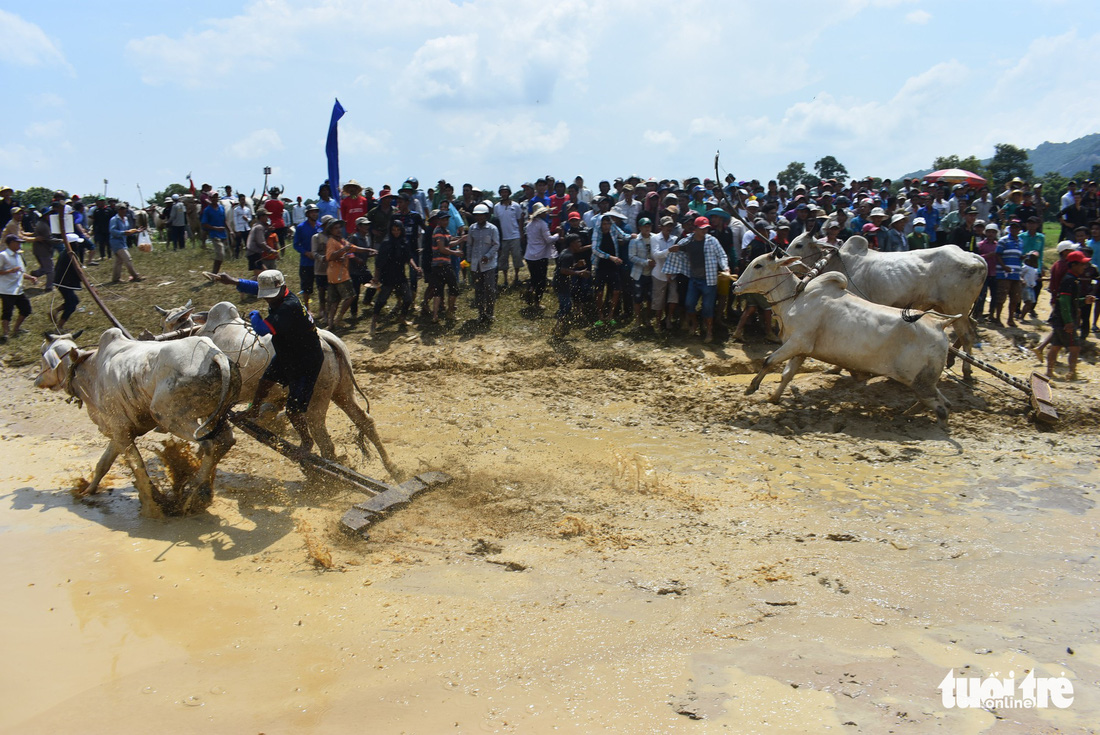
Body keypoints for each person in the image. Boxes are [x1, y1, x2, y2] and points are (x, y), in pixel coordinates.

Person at [211, 269, 323, 455]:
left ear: (283, 288)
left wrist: (255, 314)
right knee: (264, 382)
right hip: (287, 353)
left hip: (305, 360)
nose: (268, 300)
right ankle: (254, 410)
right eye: (266, 296)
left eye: (270, 296)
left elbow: (262, 330)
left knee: (293, 410)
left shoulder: (289, 306)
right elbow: (257, 287)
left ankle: (306, 441)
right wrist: (233, 281)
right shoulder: (279, 294)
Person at [666, 216, 730, 343]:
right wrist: (670, 268)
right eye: (702, 229)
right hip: (694, 279)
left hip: (709, 280)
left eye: (706, 228)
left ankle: (709, 332)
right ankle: (694, 324)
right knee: (689, 304)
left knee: (708, 307)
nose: (704, 231)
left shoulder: (712, 241)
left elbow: (721, 255)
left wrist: (726, 268)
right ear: (695, 229)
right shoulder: (688, 241)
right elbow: (677, 251)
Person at [1041, 250, 1095, 381]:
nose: (1084, 267)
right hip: (1064, 320)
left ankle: (1049, 372)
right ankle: (1072, 373)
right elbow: (1064, 302)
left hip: (1059, 319)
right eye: (1082, 264)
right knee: (1075, 348)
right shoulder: (1070, 281)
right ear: (1074, 265)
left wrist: (1084, 301)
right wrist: (1069, 322)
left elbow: (1072, 301)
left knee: (1056, 346)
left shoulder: (1072, 280)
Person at [370, 220, 421, 338]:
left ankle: (402, 317)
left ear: (401, 230)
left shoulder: (404, 242)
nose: (396, 232)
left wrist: (415, 267)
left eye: (398, 230)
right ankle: (373, 323)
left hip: (400, 275)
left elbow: (409, 258)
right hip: (388, 276)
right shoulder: (386, 243)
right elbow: (379, 262)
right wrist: (376, 277)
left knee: (408, 299)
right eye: (393, 230)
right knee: (381, 300)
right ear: (390, 230)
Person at [324, 218, 372, 329]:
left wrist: (368, 250)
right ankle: (338, 318)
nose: (338, 230)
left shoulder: (341, 240)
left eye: (339, 227)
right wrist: (343, 251)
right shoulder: (332, 241)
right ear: (330, 231)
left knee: (335, 300)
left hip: (335, 274)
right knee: (351, 296)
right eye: (335, 228)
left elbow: (353, 248)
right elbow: (329, 257)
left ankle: (331, 324)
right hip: (339, 275)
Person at [466, 201, 501, 325]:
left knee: (490, 289)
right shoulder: (472, 228)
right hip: (476, 264)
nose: (479, 217)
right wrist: (469, 260)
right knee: (478, 289)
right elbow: (469, 244)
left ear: (486, 216)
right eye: (477, 215)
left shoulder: (492, 228)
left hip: (489, 264)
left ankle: (490, 313)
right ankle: (481, 313)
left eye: (482, 215)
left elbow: (496, 245)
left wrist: (488, 256)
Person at [550, 233, 591, 338]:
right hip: (561, 283)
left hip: (561, 282)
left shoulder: (566, 252)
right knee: (566, 306)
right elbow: (563, 270)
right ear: (572, 244)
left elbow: (565, 267)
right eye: (578, 242)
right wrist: (579, 272)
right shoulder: (568, 255)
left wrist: (576, 265)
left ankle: (558, 328)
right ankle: (558, 329)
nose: (580, 244)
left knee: (565, 306)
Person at [427, 209, 464, 322]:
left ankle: (435, 316)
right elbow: (442, 249)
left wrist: (460, 240)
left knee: (438, 291)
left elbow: (448, 243)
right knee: (454, 289)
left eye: (447, 219)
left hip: (437, 266)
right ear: (439, 220)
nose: (446, 221)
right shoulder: (439, 231)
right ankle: (450, 312)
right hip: (443, 265)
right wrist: (455, 253)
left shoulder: (443, 231)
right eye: (443, 219)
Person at [0, 234, 38, 341]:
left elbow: (20, 272)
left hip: (18, 289)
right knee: (7, 312)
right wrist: (10, 271)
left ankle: (16, 328)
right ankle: (5, 333)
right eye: (17, 242)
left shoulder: (18, 256)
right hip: (7, 289)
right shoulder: (3, 255)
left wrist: (30, 277)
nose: (19, 245)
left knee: (26, 309)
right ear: (11, 243)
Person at [523, 202, 558, 310]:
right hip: (540, 256)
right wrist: (557, 235)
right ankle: (537, 302)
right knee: (541, 280)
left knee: (534, 277)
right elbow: (548, 239)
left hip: (530, 255)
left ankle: (530, 291)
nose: (545, 214)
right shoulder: (542, 224)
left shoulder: (529, 224)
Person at [992, 220, 1024, 327]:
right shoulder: (1003, 240)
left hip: (1016, 273)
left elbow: (1018, 256)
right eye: (1013, 227)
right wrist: (1004, 266)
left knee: (1015, 298)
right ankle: (998, 318)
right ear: (1010, 229)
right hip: (1004, 273)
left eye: (1016, 228)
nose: (1014, 230)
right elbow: (998, 254)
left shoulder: (1020, 241)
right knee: (1001, 297)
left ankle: (1010, 319)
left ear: (1019, 229)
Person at [493, 185, 524, 288]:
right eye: (502, 192)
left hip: (514, 235)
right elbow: (496, 222)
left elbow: (520, 220)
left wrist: (520, 233)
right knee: (503, 259)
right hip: (503, 237)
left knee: (517, 257)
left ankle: (516, 277)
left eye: (506, 192)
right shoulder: (497, 207)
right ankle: (505, 280)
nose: (504, 194)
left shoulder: (516, 206)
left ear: (509, 193)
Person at [628, 218, 656, 328]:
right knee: (638, 298)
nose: (647, 228)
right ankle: (638, 319)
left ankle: (647, 318)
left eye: (649, 226)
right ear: (639, 228)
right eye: (644, 226)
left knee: (650, 298)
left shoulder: (655, 238)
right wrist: (645, 262)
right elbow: (631, 257)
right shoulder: (634, 240)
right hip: (638, 274)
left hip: (652, 273)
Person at [108, 203, 144, 284]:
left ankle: (115, 279)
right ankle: (135, 276)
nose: (124, 210)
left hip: (123, 242)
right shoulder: (114, 219)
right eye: (121, 209)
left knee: (119, 261)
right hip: (116, 242)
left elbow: (128, 230)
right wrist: (123, 233)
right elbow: (112, 231)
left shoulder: (126, 219)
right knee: (127, 258)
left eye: (124, 208)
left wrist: (136, 231)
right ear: (118, 210)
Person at [53, 244, 82, 330]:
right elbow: (78, 271)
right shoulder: (71, 255)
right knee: (72, 305)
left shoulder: (64, 252)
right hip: (65, 283)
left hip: (60, 282)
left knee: (74, 300)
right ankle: (60, 327)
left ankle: (56, 311)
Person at [201, 195, 229, 274]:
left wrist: (230, 231)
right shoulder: (207, 210)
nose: (214, 199)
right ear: (210, 199)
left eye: (216, 197)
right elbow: (204, 224)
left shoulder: (221, 208)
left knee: (221, 256)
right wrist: (215, 228)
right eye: (213, 197)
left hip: (223, 234)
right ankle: (213, 274)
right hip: (214, 234)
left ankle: (214, 274)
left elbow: (225, 221)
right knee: (220, 254)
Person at [246, 208, 277, 276]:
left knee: (264, 274)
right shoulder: (259, 227)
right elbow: (261, 242)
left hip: (253, 253)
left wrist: (268, 231)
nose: (267, 218)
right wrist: (271, 250)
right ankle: (244, 285)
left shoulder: (256, 225)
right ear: (261, 217)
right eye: (266, 216)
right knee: (260, 277)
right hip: (254, 253)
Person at [263, 187, 288, 253]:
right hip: (281, 223)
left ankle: (274, 254)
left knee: (272, 241)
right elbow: (281, 213)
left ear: (271, 194)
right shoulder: (281, 203)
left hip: (271, 224)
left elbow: (265, 212)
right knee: (281, 240)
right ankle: (282, 254)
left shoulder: (267, 203)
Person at [232, 193, 253, 259]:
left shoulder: (247, 209)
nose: (243, 201)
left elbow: (250, 218)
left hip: (246, 227)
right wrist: (237, 230)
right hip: (239, 228)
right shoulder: (236, 210)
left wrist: (247, 219)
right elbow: (235, 220)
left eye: (244, 199)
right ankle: (236, 257)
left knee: (247, 243)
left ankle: (248, 256)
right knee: (238, 243)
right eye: (242, 200)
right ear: (239, 200)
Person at [1019, 251, 1040, 320]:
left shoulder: (1034, 270)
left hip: (1031, 287)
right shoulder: (1026, 267)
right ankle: (1021, 317)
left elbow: (1036, 279)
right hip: (1026, 287)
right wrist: (1022, 280)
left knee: (1030, 303)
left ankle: (1022, 316)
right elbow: (1020, 275)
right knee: (1028, 302)